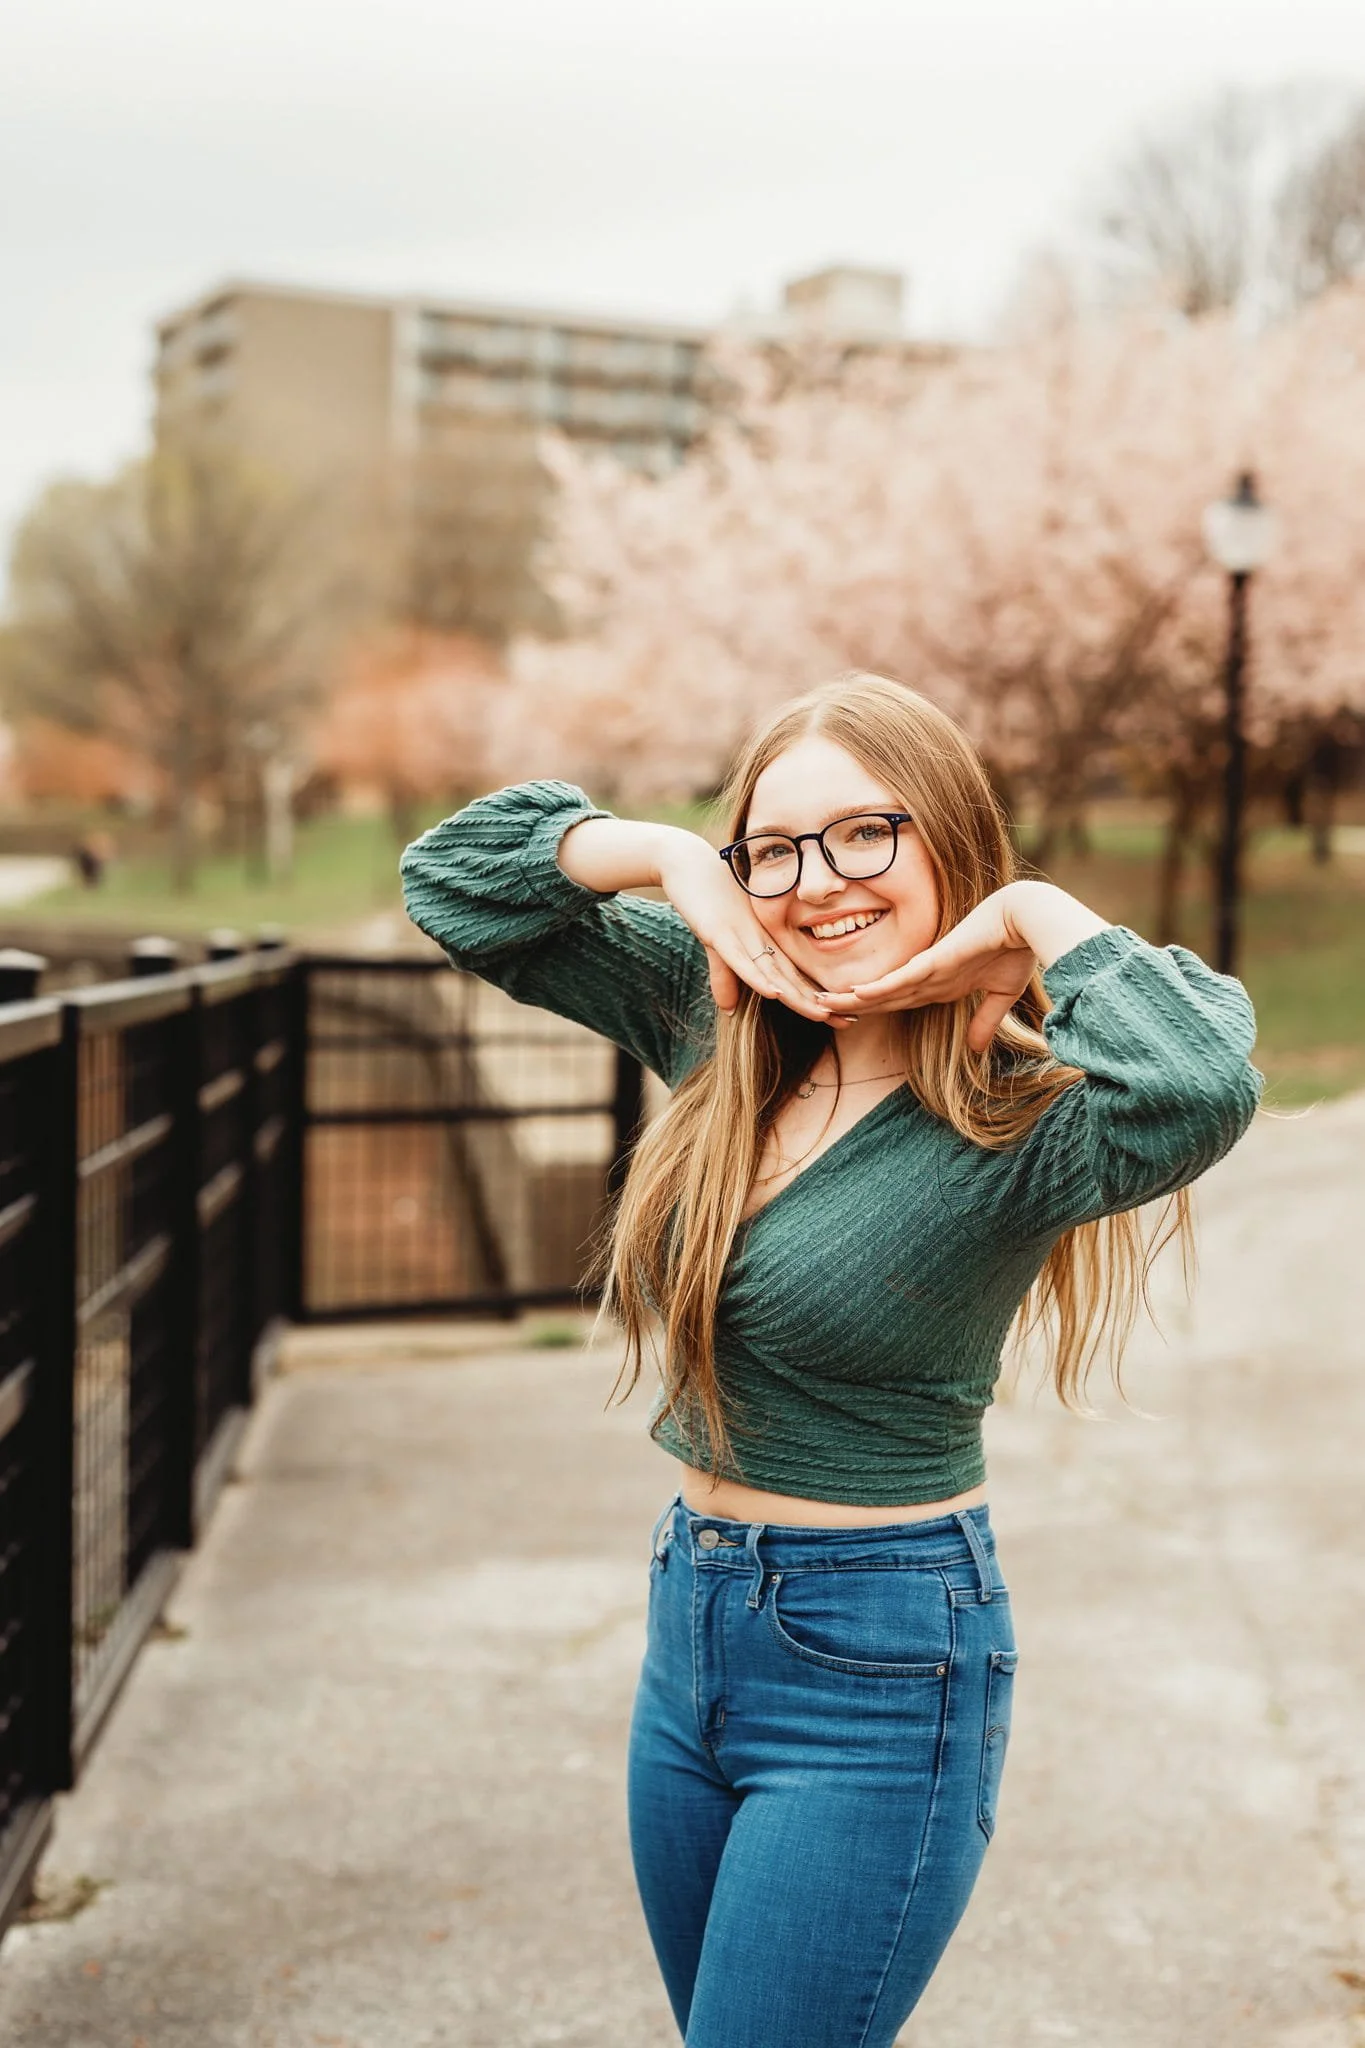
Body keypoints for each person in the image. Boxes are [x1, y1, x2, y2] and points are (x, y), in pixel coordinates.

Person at [399, 674, 1261, 2048]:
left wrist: (1032, 920)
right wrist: (676, 857)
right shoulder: (721, 1011)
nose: (818, 883)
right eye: (777, 848)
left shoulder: (1023, 1118)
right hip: (690, 1636)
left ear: (948, 848)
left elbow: (1206, 1078)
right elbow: (452, 877)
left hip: (878, 1666)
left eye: (869, 834)